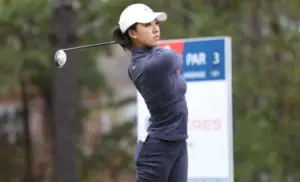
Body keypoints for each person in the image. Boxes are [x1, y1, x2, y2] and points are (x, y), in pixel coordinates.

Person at [113, 3, 188, 182]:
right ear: (132, 33)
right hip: (157, 150)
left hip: (178, 142)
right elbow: (176, 57)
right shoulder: (150, 65)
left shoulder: (153, 58)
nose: (155, 29)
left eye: (156, 23)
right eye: (147, 25)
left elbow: (170, 55)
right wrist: (164, 50)